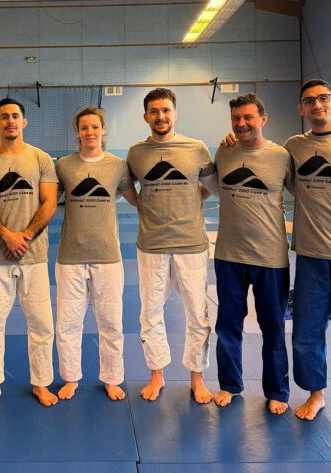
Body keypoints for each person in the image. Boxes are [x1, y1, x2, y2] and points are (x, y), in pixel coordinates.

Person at [126, 88, 218, 404]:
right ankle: (157, 374)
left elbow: (212, 186)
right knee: (150, 313)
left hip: (191, 244)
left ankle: (197, 377)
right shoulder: (136, 153)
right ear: (145, 116)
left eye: (165, 110)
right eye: (154, 111)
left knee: (197, 314)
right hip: (151, 245)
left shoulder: (195, 148)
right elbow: (128, 188)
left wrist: (193, 198)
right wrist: (143, 205)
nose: (160, 116)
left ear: (175, 113)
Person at [0, 98, 58, 409]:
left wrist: (26, 235)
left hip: (34, 254)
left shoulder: (41, 158)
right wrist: (7, 236)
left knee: (41, 323)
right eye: (5, 116)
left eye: (15, 116)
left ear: (24, 122)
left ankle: (41, 383)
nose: (10, 121)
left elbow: (49, 202)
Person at [213, 93, 294, 415]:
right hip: (229, 255)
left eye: (248, 117)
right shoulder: (224, 151)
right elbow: (212, 186)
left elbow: (303, 193)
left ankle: (277, 390)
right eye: (236, 118)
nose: (241, 123)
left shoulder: (281, 156)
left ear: (263, 119)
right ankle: (230, 385)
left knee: (272, 327)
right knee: (227, 326)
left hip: (270, 258)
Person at [55, 106, 138, 401]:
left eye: (95, 127)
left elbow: (138, 200)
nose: (90, 132)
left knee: (111, 323)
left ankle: (113, 378)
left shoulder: (118, 166)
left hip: (108, 256)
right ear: (78, 132)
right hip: (70, 256)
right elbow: (47, 201)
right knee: (67, 324)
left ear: (103, 131)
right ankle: (70, 378)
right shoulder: (64, 166)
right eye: (84, 128)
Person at [284, 79, 330, 420]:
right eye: (309, 100)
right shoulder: (294, 147)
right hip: (312, 255)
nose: (317, 105)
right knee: (306, 332)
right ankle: (316, 394)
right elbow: (286, 181)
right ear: (301, 108)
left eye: (323, 98)